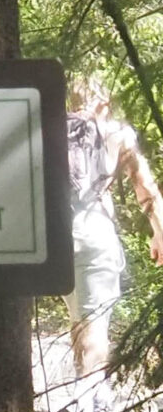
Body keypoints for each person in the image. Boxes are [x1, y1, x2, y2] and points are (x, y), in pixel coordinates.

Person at [65, 74, 163, 382]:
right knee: (94, 322)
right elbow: (145, 187)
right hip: (95, 228)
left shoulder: (55, 128)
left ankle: (83, 398)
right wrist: (159, 231)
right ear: (104, 102)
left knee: (79, 318)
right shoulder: (117, 132)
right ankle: (92, 402)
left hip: (57, 233)